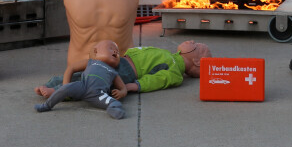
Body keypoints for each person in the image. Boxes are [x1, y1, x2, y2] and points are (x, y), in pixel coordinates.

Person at [36, 40, 212, 97]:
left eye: (196, 45)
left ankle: (58, 92)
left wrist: (131, 86)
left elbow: (157, 80)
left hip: (125, 73)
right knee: (86, 73)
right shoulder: (169, 55)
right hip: (121, 61)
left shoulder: (175, 73)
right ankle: (56, 83)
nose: (192, 41)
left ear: (197, 61)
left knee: (91, 82)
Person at [35, 39, 128, 119]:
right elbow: (71, 68)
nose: (115, 52)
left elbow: (123, 87)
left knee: (113, 102)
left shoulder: (113, 72)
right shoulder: (91, 62)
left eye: (117, 51)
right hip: (82, 86)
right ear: (96, 51)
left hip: (99, 93)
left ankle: (115, 111)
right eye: (111, 48)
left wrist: (121, 93)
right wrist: (66, 85)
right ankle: (46, 105)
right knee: (63, 90)